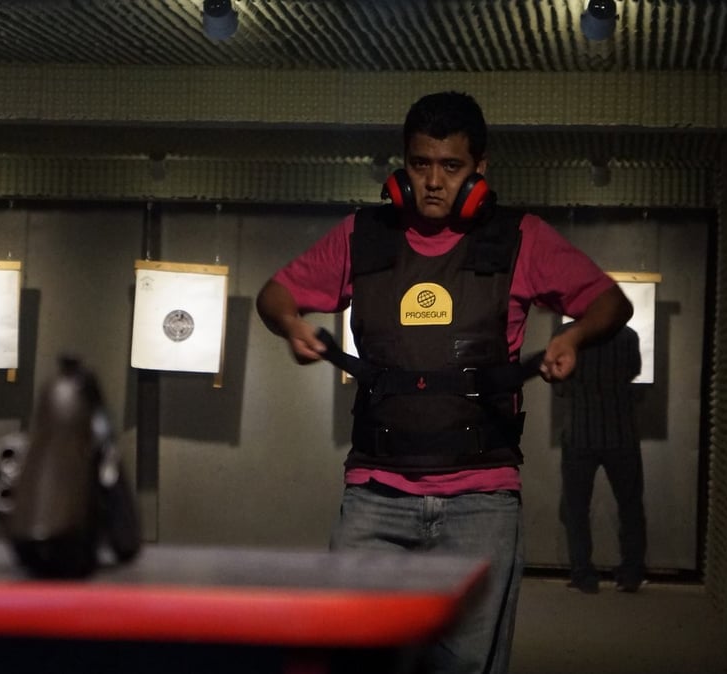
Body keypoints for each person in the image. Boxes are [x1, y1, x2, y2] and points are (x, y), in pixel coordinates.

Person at [256, 91, 632, 674]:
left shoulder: (520, 238)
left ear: (479, 169)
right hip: (376, 496)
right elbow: (274, 295)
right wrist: (291, 324)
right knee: (352, 659)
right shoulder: (363, 236)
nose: (433, 182)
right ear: (402, 167)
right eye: (420, 164)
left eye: (451, 166)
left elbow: (611, 303)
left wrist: (573, 338)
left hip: (482, 501)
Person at [555, 324, 647, 594]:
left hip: (579, 434)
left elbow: (559, 385)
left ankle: (583, 574)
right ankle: (631, 574)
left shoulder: (564, 335)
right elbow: (634, 375)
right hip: (621, 434)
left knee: (575, 509)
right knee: (630, 507)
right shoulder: (628, 336)